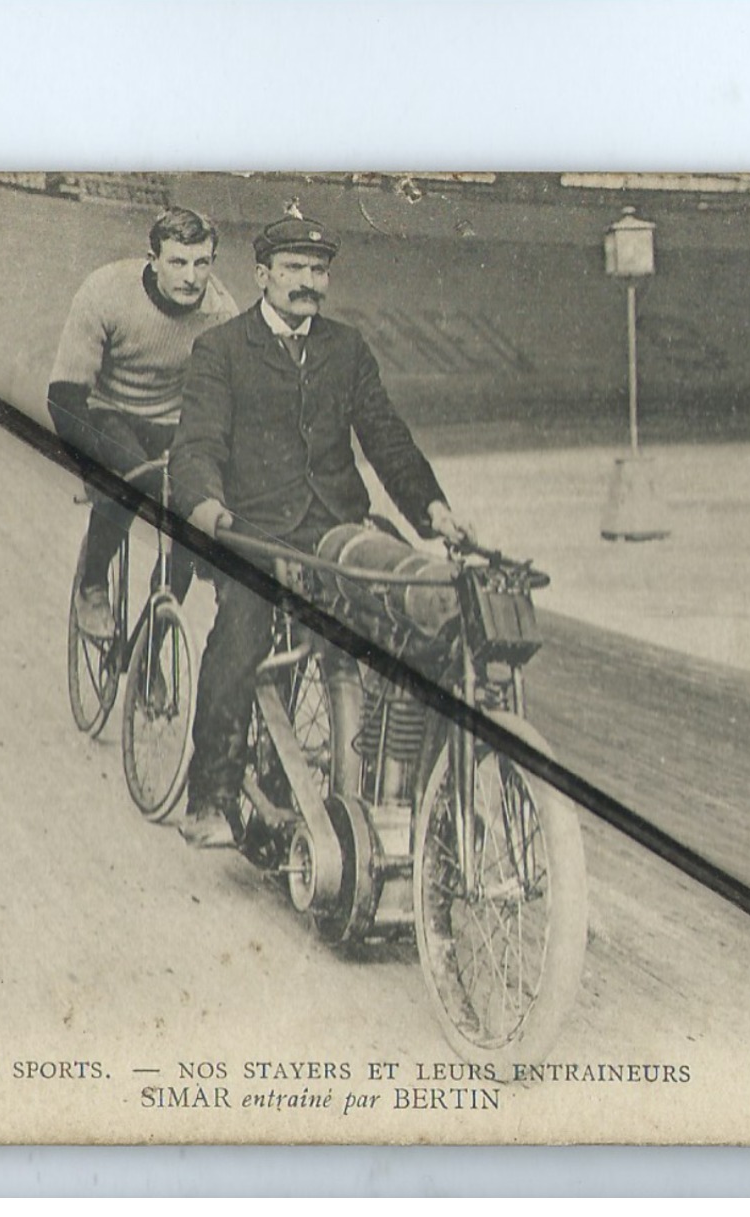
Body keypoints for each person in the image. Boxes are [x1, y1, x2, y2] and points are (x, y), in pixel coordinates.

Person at [169, 214, 475, 848]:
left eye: (317, 271)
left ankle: (417, 799)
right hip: (254, 530)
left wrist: (433, 511)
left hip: (338, 526)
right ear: (262, 276)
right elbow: (197, 443)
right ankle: (213, 794)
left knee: (417, 616)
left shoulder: (347, 347)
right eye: (293, 270)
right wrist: (204, 505)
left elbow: (387, 440)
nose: (308, 283)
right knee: (241, 633)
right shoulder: (221, 349)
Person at [46, 207, 238, 638]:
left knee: (191, 518)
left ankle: (151, 648)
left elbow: (233, 404)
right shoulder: (106, 291)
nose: (191, 277)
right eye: (177, 262)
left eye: (202, 263)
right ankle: (92, 584)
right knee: (129, 479)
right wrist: (93, 469)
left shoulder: (222, 314)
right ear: (152, 258)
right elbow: (64, 395)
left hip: (173, 423)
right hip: (108, 410)